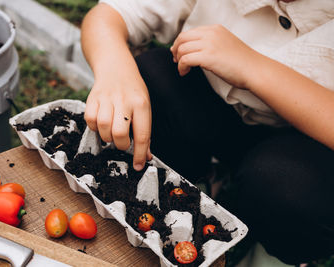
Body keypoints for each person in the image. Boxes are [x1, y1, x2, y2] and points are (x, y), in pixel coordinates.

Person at [80, 0, 334, 265]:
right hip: (211, 107)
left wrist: (255, 68)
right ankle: (188, 191)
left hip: (307, 146)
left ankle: (279, 253)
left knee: (291, 192)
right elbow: (111, 14)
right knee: (154, 77)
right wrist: (115, 71)